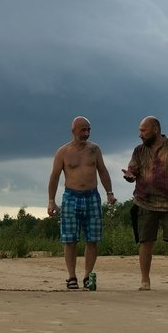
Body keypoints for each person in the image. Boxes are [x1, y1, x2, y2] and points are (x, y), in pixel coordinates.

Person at [122, 116, 168, 291]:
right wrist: (129, 176)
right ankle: (145, 280)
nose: (140, 134)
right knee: (146, 241)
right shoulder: (139, 151)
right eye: (140, 131)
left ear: (155, 129)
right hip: (145, 202)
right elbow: (132, 171)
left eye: (143, 130)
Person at [48, 116, 116, 290]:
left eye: (88, 130)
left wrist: (109, 193)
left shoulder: (94, 149)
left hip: (92, 196)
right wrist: (51, 201)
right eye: (83, 130)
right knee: (69, 239)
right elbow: (54, 177)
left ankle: (87, 276)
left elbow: (102, 171)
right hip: (71, 197)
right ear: (73, 131)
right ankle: (72, 276)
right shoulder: (63, 152)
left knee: (93, 238)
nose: (86, 133)